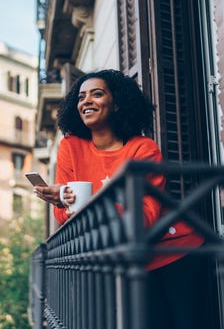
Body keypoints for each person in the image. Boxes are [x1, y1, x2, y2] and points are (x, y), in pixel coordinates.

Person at [34, 69, 208, 329]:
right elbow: (64, 218)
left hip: (178, 251)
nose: (86, 101)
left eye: (97, 94)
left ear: (116, 104)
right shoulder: (71, 147)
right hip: (132, 262)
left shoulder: (143, 149)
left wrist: (84, 201)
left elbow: (144, 219)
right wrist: (63, 199)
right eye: (81, 97)